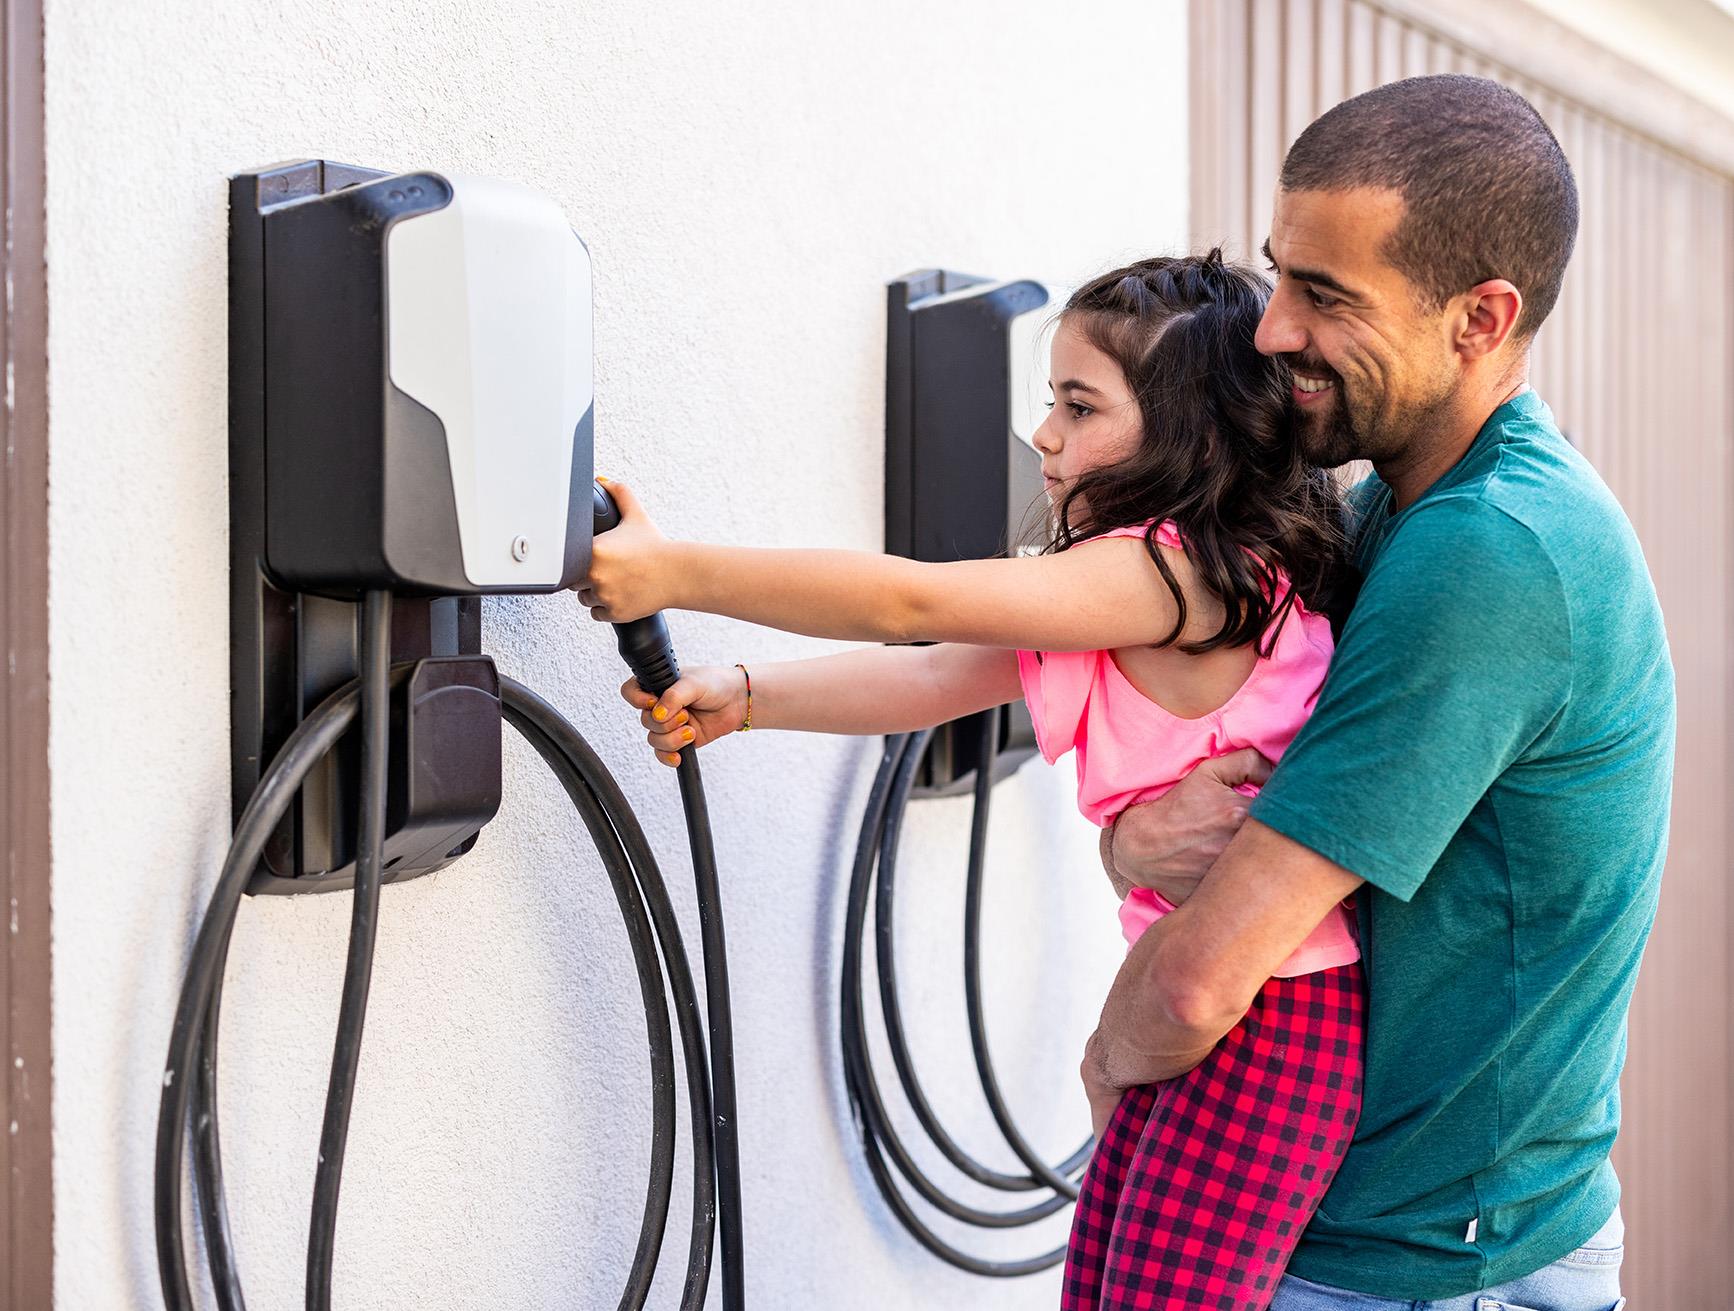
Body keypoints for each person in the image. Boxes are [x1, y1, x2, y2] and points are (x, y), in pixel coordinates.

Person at [578, 251, 1368, 1309]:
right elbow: (947, 674)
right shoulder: (1158, 585)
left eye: (1079, 406)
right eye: (1051, 401)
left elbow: (915, 606)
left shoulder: (1174, 573)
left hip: (1265, 1021)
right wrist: (751, 695)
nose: (1044, 435)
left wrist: (676, 572)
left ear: (1192, 431)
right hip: (1224, 1006)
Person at [1084, 76, 1670, 1311]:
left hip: (1423, 1265)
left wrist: (1105, 1062)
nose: (1270, 331)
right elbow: (1220, 821)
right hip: (1413, 1241)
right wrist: (1136, 838)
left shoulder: (1492, 553)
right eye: (1281, 276)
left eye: (1327, 297)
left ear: (1479, 317)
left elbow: (1201, 978)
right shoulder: (1384, 516)